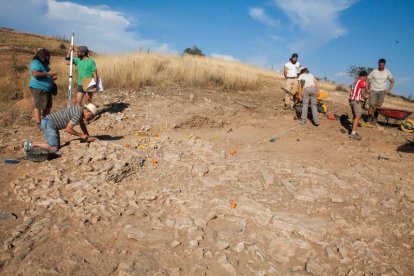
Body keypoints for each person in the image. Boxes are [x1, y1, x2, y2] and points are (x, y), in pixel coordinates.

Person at [23, 103, 98, 154]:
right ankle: (30, 144)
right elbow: (68, 129)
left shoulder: (79, 110)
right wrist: (81, 135)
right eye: (91, 116)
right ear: (88, 112)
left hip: (51, 123)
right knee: (53, 147)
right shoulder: (78, 114)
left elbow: (82, 125)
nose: (90, 119)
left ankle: (32, 143)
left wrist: (87, 136)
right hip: (50, 123)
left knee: (56, 146)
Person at [29, 48, 57, 131]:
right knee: (39, 106)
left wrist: (52, 77)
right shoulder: (36, 62)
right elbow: (35, 73)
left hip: (47, 88)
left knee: (47, 106)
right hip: (38, 87)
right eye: (47, 56)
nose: (48, 58)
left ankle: (45, 122)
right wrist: (48, 74)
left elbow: (47, 74)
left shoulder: (45, 64)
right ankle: (39, 124)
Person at [367, 58, 394, 125]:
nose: (380, 66)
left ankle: (375, 120)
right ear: (378, 64)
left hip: (382, 92)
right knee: (371, 105)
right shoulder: (374, 71)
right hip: (373, 90)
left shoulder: (387, 72)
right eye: (379, 65)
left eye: (382, 65)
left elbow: (392, 81)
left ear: (384, 65)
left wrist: (388, 90)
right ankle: (368, 119)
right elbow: (367, 80)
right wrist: (368, 89)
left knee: (378, 107)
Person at [348, 71, 368, 140]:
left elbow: (351, 91)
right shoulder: (362, 81)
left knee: (355, 115)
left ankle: (353, 129)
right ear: (364, 76)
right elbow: (362, 93)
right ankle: (353, 133)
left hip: (351, 100)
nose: (366, 79)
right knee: (358, 115)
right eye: (366, 77)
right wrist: (365, 97)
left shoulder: (355, 81)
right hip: (356, 101)